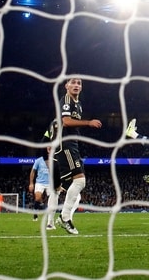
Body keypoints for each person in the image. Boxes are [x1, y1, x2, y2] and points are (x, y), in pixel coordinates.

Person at [53, 78, 102, 234]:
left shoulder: (78, 104)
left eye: (79, 83)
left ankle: (63, 217)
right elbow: (66, 121)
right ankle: (64, 217)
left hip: (72, 144)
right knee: (79, 181)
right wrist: (88, 123)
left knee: (75, 184)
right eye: (73, 82)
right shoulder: (66, 100)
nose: (76, 85)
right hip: (65, 144)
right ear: (66, 86)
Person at [28, 155, 54, 223]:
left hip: (50, 183)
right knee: (37, 198)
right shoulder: (38, 160)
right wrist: (31, 183)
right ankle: (35, 214)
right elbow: (33, 171)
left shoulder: (53, 160)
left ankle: (49, 216)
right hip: (40, 182)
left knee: (51, 199)